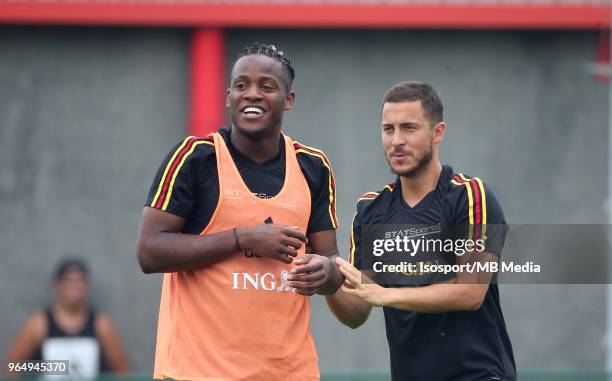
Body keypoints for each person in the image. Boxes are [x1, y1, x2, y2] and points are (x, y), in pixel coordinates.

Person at [136, 42, 343, 381]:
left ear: (288, 100)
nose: (252, 94)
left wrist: (326, 273)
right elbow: (149, 252)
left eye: (267, 86)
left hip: (291, 373)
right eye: (242, 85)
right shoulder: (195, 157)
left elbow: (332, 263)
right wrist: (242, 238)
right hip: (197, 372)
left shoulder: (313, 166)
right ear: (228, 96)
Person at [326, 82, 516, 381]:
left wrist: (387, 295)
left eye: (409, 128)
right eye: (388, 129)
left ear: (437, 132)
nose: (396, 140)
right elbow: (356, 312)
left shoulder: (469, 195)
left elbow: (471, 291)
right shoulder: (370, 209)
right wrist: (326, 276)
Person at [6, 258, 129, 378]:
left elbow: (122, 373)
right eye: (69, 281)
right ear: (57, 285)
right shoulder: (38, 324)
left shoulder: (101, 325)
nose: (75, 286)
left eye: (81, 281)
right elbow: (12, 367)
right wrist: (55, 367)